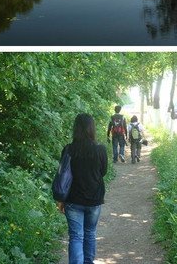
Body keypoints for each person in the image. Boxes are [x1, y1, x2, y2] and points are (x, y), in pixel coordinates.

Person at [57, 113, 108, 264]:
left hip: (73, 200)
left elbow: (62, 175)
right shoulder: (100, 149)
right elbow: (103, 172)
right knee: (90, 233)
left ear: (76, 129)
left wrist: (60, 199)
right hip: (94, 199)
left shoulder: (69, 149)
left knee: (76, 236)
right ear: (92, 128)